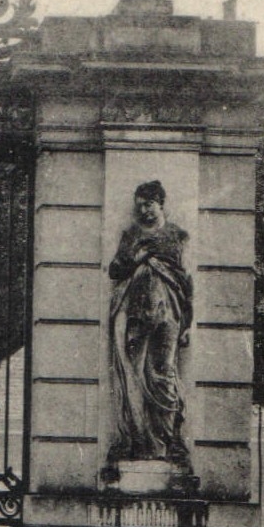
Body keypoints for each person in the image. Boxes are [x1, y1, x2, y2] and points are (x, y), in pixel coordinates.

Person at [107, 180, 194, 467]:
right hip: (136, 315)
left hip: (169, 313)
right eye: (140, 206)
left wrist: (187, 323)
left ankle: (168, 440)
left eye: (149, 204)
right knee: (134, 373)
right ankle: (138, 440)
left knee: (163, 372)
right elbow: (115, 269)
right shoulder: (131, 235)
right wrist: (138, 257)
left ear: (161, 203)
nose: (144, 210)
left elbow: (186, 280)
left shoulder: (176, 235)